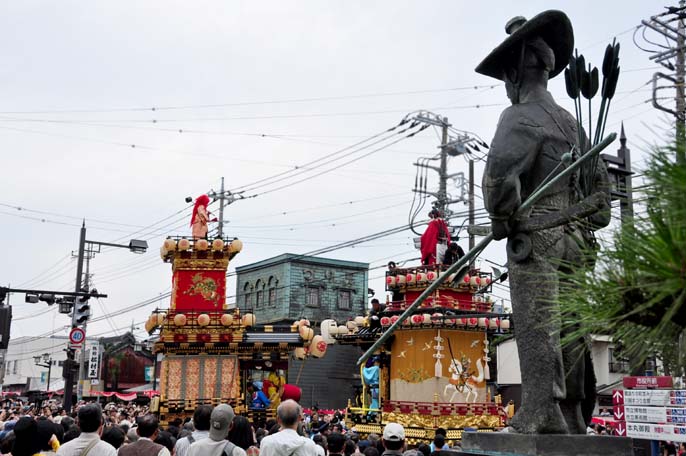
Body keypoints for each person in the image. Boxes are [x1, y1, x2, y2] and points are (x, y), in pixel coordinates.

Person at [476, 10, 610, 434]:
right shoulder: (573, 125)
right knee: (572, 328)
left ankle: (537, 411)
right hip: (576, 244)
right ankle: (572, 414)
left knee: (539, 325)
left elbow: (498, 183)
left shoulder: (518, 118)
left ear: (518, 69)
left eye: (504, 75)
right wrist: (568, 214)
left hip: (537, 240)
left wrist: (505, 217)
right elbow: (602, 201)